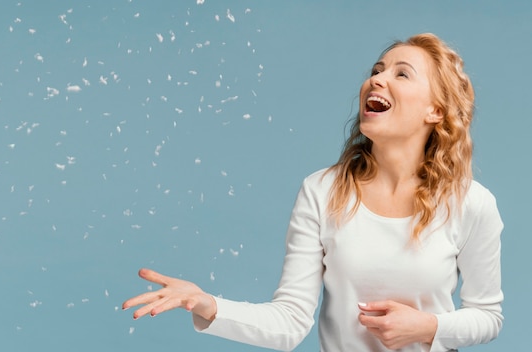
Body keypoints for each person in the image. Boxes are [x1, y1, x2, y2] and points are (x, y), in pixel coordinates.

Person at [122, 33, 504, 352]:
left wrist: (429, 328)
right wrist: (208, 305)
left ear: (435, 111)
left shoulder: (470, 204)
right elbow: (289, 321)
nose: (377, 79)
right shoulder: (322, 191)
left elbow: (488, 317)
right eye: (376, 70)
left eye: (402, 74)